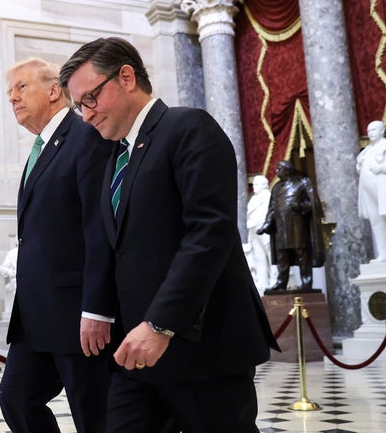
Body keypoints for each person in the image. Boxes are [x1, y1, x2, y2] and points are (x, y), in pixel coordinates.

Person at [59, 37, 278, 433]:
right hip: (137, 354)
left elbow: (210, 232)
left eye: (89, 98)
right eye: (78, 107)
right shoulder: (115, 159)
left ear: (126, 77)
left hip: (203, 348)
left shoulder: (188, 127)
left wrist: (161, 323)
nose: (85, 115)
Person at [0, 57, 114, 433]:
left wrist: (97, 309)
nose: (12, 98)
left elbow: (98, 228)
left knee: (93, 415)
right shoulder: (42, 148)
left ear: (53, 91)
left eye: (21, 87)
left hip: (76, 314)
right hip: (36, 314)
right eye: (9, 92)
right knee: (16, 398)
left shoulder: (85, 136)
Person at [257, 160, 325, 292]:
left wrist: (300, 206)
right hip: (280, 228)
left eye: (279, 169)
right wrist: (266, 225)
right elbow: (272, 208)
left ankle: (306, 281)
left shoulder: (301, 184)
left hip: (297, 226)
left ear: (287, 171)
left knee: (301, 253)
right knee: (282, 255)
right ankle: (281, 281)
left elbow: (314, 204)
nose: (277, 172)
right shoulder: (276, 188)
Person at [356, 120, 386, 262]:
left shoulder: (385, 145)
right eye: (368, 131)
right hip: (368, 190)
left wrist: (382, 168)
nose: (370, 133)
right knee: (376, 221)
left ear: (382, 130)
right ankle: (383, 254)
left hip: (382, 187)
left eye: (374, 130)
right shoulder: (366, 150)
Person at [246, 175, 273, 292]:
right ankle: (262, 282)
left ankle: (274, 280)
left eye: (256, 184)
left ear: (263, 185)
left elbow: (270, 213)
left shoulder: (268, 196)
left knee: (270, 254)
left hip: (265, 228)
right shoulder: (253, 199)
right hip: (253, 228)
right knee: (259, 256)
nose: (254, 187)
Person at [0, 241, 18, 318]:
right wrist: (10, 273)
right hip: (16, 281)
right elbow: (2, 268)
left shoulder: (31, 251)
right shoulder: (12, 253)